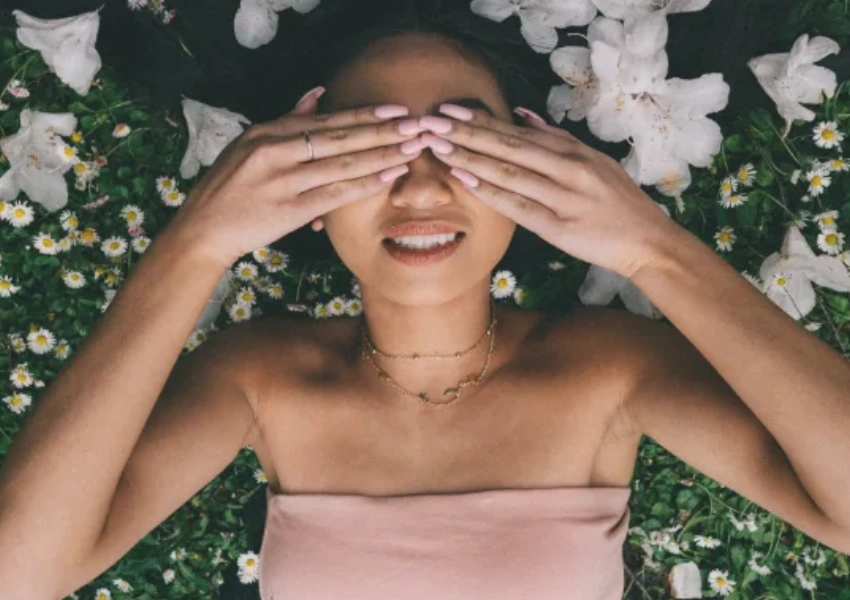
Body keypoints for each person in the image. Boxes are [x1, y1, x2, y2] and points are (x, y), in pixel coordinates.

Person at [0, 2, 848, 600]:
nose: (419, 186)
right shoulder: (259, 376)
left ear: (531, 168)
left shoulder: (608, 367)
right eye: (364, 145)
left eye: (462, 139)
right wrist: (196, 242)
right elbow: (22, 573)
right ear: (301, 178)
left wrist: (651, 247)